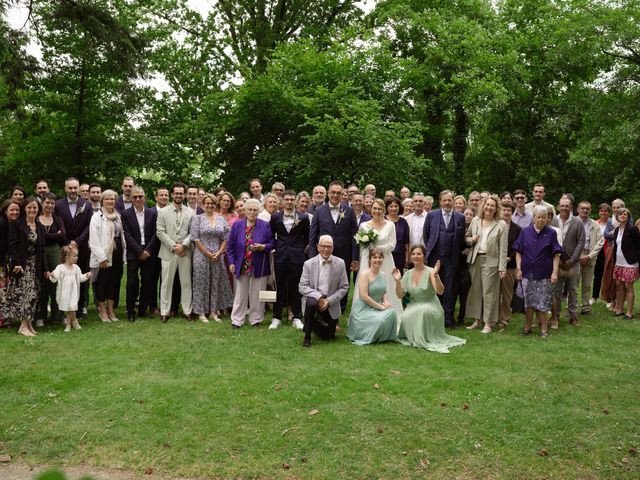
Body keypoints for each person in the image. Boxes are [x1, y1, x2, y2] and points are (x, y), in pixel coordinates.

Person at [392, 246, 466, 353]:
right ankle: (413, 337)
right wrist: (397, 281)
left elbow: (440, 291)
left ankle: (422, 338)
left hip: (431, 305)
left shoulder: (431, 271)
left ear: (424, 256)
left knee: (421, 312)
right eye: (413, 254)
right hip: (414, 304)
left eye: (419, 254)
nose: (415, 256)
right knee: (404, 316)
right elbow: (400, 295)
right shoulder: (408, 274)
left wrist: (435, 276)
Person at [308, 181, 359, 313]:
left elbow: (355, 236)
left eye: (338, 193)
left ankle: (340, 309)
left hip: (344, 254)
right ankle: (322, 305)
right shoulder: (319, 211)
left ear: (343, 194)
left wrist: (355, 258)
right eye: (333, 192)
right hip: (323, 254)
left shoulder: (349, 211)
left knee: (342, 283)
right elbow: (313, 236)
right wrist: (314, 257)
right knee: (323, 281)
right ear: (328, 194)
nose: (335, 195)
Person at [513, 205, 562, 338]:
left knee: (543, 302)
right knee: (528, 302)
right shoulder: (525, 232)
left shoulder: (551, 233)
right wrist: (518, 268)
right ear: (533, 218)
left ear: (547, 219)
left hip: (544, 274)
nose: (541, 220)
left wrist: (555, 272)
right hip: (527, 273)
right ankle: (527, 327)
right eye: (538, 217)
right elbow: (518, 252)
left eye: (544, 217)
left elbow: (556, 254)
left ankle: (544, 329)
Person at [464, 195, 508, 333]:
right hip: (475, 259)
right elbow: (467, 236)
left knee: (489, 292)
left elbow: (503, 248)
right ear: (483, 206)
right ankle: (477, 320)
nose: (489, 207)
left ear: (496, 209)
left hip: (492, 262)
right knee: (475, 290)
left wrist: (502, 267)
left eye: (492, 206)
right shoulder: (476, 220)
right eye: (487, 205)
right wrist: (472, 239)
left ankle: (488, 323)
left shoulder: (501, 224)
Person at [353, 199, 403, 320]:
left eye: (380, 209)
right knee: (368, 285)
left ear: (384, 210)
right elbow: (360, 245)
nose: (377, 211)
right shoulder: (364, 225)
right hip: (368, 260)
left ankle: (390, 311)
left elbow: (392, 244)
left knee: (387, 285)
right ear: (371, 209)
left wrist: (378, 249)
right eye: (375, 208)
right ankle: (366, 314)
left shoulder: (390, 224)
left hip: (385, 260)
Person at [227, 199, 274, 327]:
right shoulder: (237, 225)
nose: (252, 212)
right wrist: (231, 262)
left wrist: (262, 247)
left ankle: (255, 319)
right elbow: (230, 247)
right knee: (240, 293)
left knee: (257, 293)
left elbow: (272, 244)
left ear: (259, 211)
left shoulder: (265, 225)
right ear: (245, 210)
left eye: (255, 210)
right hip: (242, 263)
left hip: (259, 264)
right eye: (250, 209)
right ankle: (237, 320)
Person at [423, 190, 466, 328]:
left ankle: (448, 319)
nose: (447, 202)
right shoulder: (431, 215)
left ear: (453, 201)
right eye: (444, 200)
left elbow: (461, 239)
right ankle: (434, 317)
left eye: (449, 200)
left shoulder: (460, 217)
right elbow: (427, 235)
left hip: (452, 259)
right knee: (434, 287)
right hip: (435, 258)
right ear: (440, 201)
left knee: (450, 289)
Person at [7, 197, 48, 336]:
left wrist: (46, 269)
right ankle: (22, 326)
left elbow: (42, 249)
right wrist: (16, 263)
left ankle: (29, 324)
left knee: (34, 294)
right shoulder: (17, 224)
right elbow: (12, 245)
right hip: (23, 266)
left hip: (36, 265)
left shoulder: (39, 225)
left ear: (38, 209)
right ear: (25, 208)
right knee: (26, 294)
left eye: (35, 207)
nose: (32, 210)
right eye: (29, 207)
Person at [269, 190, 310, 330]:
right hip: (280, 256)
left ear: (296, 201)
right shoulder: (275, 217)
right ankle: (276, 317)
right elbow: (271, 235)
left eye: (292, 199)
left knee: (296, 287)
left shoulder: (303, 218)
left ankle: (297, 317)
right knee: (279, 286)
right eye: (286, 199)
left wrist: (299, 249)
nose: (289, 202)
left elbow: (307, 237)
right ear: (282, 201)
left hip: (297, 256)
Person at [299, 235, 349, 347]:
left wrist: (329, 301)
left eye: (329, 247)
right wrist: (319, 297)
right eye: (323, 246)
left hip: (330, 303)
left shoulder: (340, 263)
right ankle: (307, 336)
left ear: (333, 248)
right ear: (317, 247)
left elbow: (344, 287)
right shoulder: (309, 264)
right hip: (314, 298)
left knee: (328, 337)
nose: (326, 249)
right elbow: (302, 286)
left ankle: (312, 324)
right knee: (311, 303)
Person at [190, 194, 233, 323]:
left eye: (212, 203)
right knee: (201, 283)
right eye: (207, 203)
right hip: (201, 255)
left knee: (215, 283)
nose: (210, 205)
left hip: (217, 255)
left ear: (216, 205)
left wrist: (220, 252)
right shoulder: (197, 219)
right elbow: (195, 237)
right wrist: (206, 252)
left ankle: (214, 311)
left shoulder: (221, 219)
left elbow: (225, 237)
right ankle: (201, 311)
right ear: (203, 204)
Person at [54, 177, 93, 318]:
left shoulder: (86, 205)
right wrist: (67, 243)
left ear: (78, 188)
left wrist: (77, 242)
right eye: (69, 188)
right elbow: (57, 225)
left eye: (75, 187)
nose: (72, 190)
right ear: (65, 189)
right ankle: (64, 309)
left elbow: (90, 226)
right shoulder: (58, 205)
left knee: (80, 277)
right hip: (64, 247)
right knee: (65, 278)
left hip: (81, 248)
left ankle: (81, 306)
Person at [156, 183, 195, 322]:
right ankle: (164, 312)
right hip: (168, 252)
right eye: (176, 193)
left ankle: (187, 310)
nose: (178, 195)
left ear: (184, 195)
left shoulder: (191, 213)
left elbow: (193, 232)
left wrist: (183, 245)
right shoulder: (163, 212)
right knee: (166, 283)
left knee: (186, 283)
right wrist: (174, 246)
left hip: (185, 252)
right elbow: (160, 232)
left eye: (181, 193)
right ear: (172, 194)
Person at [347, 247, 399, 345]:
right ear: (370, 260)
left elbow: (383, 291)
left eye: (380, 257)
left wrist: (386, 301)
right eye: (374, 257)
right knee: (379, 320)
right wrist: (380, 307)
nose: (377, 260)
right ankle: (370, 335)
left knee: (392, 313)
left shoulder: (383, 274)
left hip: (376, 307)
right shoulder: (364, 274)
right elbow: (364, 297)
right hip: (363, 310)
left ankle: (384, 336)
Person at [122, 187, 158, 321]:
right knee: (132, 282)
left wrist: (147, 250)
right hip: (134, 252)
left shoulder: (152, 213)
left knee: (148, 282)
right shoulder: (126, 214)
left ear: (144, 198)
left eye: (140, 196)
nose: (138, 199)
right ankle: (130, 311)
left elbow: (156, 233)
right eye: (135, 197)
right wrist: (139, 251)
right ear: (131, 198)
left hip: (149, 252)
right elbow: (127, 234)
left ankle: (143, 310)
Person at [89, 190, 126, 323]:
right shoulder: (97, 217)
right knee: (102, 283)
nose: (110, 201)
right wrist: (101, 258)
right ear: (102, 201)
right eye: (107, 199)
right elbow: (93, 240)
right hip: (104, 254)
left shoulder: (118, 216)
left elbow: (121, 235)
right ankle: (102, 311)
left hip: (117, 252)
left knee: (114, 282)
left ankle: (111, 310)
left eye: (112, 199)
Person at [550, 195, 585, 328]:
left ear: (571, 207)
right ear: (558, 206)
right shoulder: (553, 221)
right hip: (557, 262)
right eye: (562, 205)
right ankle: (556, 315)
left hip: (573, 263)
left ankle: (573, 316)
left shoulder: (578, 222)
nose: (564, 208)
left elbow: (581, 243)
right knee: (557, 291)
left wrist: (571, 260)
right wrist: (559, 261)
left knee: (573, 290)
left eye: (567, 206)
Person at [35, 192, 67, 327]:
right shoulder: (36, 219)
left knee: (56, 282)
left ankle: (57, 316)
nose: (49, 205)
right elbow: (39, 237)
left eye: (52, 203)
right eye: (47, 202)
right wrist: (55, 235)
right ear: (42, 203)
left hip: (54, 252)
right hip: (39, 252)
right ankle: (40, 316)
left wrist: (46, 235)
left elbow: (62, 235)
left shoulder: (58, 219)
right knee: (42, 284)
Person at [49, 245, 91, 332]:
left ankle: (69, 324)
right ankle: (73, 322)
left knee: (72, 307)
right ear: (67, 257)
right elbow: (54, 278)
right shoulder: (60, 268)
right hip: (64, 293)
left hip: (74, 292)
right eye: (75, 256)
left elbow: (80, 278)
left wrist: (86, 276)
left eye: (77, 255)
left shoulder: (76, 268)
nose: (77, 258)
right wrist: (52, 275)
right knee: (68, 308)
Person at [610, 208, 640, 319]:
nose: (622, 215)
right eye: (620, 214)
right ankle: (619, 309)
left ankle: (629, 312)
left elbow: (638, 245)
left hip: (630, 263)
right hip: (619, 262)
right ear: (617, 216)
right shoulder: (617, 230)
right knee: (618, 286)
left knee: (628, 287)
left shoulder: (633, 229)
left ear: (628, 216)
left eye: (625, 214)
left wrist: (636, 258)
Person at [576, 201, 604, 315]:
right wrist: (578, 256)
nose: (585, 210)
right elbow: (567, 241)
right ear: (578, 210)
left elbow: (600, 242)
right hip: (576, 257)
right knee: (573, 285)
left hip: (589, 256)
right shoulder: (572, 222)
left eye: (587, 209)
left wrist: (589, 256)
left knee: (587, 285)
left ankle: (585, 307)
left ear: (590, 210)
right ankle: (571, 307)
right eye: (582, 208)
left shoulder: (594, 224)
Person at [498, 200, 522, 328]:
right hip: (495, 265)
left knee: (507, 294)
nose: (506, 212)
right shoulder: (495, 225)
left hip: (510, 266)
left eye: (509, 210)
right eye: (504, 209)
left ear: (512, 213)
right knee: (495, 293)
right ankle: (494, 317)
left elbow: (518, 247)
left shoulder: (517, 229)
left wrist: (509, 258)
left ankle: (505, 318)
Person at [0, 200, 21, 328]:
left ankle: (7, 319)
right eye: (12, 210)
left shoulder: (15, 224)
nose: (15, 212)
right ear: (5, 211)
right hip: (2, 262)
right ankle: (3, 319)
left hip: (9, 261)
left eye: (17, 210)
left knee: (8, 290)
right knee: (2, 290)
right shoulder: (2, 223)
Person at [453, 206, 475, 326]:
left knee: (465, 293)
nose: (467, 216)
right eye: (465, 214)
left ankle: (462, 316)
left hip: (468, 266)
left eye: (470, 214)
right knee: (454, 291)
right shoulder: (458, 227)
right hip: (456, 263)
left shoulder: (475, 229)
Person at [592, 203, 611, 304]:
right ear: (599, 212)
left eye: (606, 211)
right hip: (598, 251)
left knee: (608, 275)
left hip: (608, 251)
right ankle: (594, 297)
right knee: (597, 274)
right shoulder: (595, 223)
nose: (603, 213)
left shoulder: (612, 223)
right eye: (602, 211)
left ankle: (608, 299)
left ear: (609, 212)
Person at [386, 197, 410, 274]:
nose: (394, 208)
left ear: (399, 208)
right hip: (385, 254)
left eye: (396, 206)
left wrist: (407, 257)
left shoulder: (403, 222)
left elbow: (406, 242)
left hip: (400, 256)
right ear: (386, 208)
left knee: (398, 279)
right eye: (391, 206)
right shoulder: (383, 220)